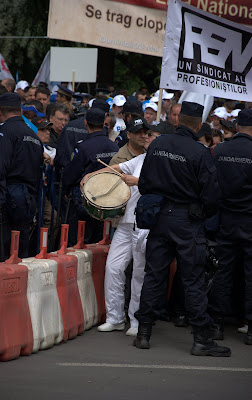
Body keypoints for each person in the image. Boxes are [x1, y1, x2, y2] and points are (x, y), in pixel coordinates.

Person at [134, 101, 231, 357]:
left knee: (154, 274)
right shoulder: (199, 152)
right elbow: (212, 196)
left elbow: (144, 184)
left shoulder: (157, 145)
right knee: (193, 279)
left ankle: (143, 333)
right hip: (187, 221)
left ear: (178, 120)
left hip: (160, 218)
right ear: (199, 125)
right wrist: (199, 214)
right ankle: (201, 339)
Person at [81, 117, 160, 336]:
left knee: (139, 274)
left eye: (150, 134)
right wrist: (92, 174)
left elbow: (162, 187)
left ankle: (136, 321)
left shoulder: (162, 162)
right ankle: (115, 317)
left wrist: (138, 182)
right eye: (145, 133)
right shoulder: (141, 158)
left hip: (146, 224)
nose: (146, 137)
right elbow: (117, 168)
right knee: (113, 268)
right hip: (126, 223)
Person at [208, 109, 252, 346]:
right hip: (249, 220)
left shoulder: (221, 150)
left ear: (237, 127)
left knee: (223, 272)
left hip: (226, 219)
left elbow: (211, 185)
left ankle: (217, 324)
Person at [0, 93, 44, 259]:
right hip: (28, 200)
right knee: (21, 250)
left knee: (3, 251)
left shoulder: (5, 132)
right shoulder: (35, 137)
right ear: (20, 110)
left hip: (7, 199)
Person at [62, 107, 118, 244]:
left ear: (86, 123)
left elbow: (71, 173)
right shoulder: (114, 147)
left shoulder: (83, 147)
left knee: (78, 243)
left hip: (85, 200)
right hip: (107, 202)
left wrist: (65, 190)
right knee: (99, 243)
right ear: (104, 124)